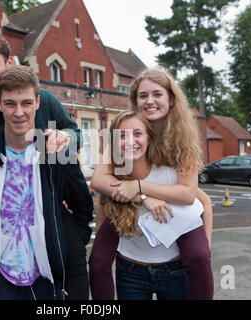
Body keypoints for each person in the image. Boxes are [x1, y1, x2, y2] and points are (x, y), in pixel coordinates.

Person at [0, 32, 87, 299]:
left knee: (71, 253)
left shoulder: (44, 99)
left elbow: (74, 134)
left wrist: (65, 137)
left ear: (9, 61)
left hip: (42, 197)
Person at [89, 66, 213, 300]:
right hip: (125, 218)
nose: (150, 101)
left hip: (176, 227)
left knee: (198, 256)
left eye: (157, 94)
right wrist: (143, 198)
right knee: (97, 261)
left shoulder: (182, 139)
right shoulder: (124, 132)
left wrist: (140, 187)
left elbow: (192, 196)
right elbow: (99, 180)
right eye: (143, 96)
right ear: (135, 101)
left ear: (171, 98)